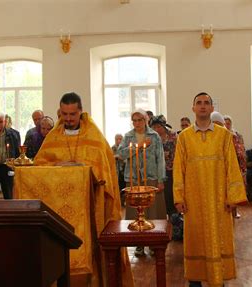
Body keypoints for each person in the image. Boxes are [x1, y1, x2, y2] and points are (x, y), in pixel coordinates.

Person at [34, 92, 133, 286]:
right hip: (60, 209)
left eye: (72, 114)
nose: (68, 119)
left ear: (80, 112)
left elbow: (105, 171)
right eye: (64, 114)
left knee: (90, 247)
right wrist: (58, 166)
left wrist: (85, 169)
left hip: (89, 206)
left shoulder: (95, 137)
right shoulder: (53, 137)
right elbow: (40, 165)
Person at [173, 92, 247, 287]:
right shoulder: (184, 137)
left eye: (207, 103)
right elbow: (179, 169)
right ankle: (195, 283)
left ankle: (217, 281)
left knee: (218, 239)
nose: (203, 106)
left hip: (218, 200)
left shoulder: (224, 136)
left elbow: (232, 166)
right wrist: (179, 197)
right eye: (199, 103)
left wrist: (232, 197)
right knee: (195, 240)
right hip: (193, 200)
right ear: (193, 108)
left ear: (212, 108)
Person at [117, 109, 167, 256]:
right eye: (134, 120)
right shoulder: (128, 136)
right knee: (135, 211)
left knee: (152, 211)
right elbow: (121, 154)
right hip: (133, 179)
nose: (137, 123)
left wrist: (160, 179)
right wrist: (139, 146)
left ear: (145, 120)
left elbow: (160, 159)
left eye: (140, 120)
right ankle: (138, 243)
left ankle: (153, 241)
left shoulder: (154, 136)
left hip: (150, 177)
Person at [150, 115, 177, 218]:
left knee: (170, 195)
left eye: (158, 126)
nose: (156, 129)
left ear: (164, 126)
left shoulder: (173, 136)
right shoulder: (151, 138)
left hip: (171, 170)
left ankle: (174, 220)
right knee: (160, 198)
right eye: (154, 127)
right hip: (157, 172)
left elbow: (178, 151)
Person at [0, 113, 21, 199]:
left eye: (1, 122)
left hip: (7, 166)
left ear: (5, 122)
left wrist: (15, 166)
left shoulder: (13, 135)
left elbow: (17, 152)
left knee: (8, 193)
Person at [224, 114, 247, 218]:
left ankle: (235, 211)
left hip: (236, 165)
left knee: (235, 189)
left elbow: (242, 150)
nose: (227, 125)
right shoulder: (221, 135)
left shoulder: (236, 135)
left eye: (229, 123)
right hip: (224, 166)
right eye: (225, 123)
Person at [111, 133, 126, 204]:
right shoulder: (112, 148)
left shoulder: (125, 148)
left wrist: (121, 158)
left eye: (120, 139)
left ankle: (124, 200)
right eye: (117, 139)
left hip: (124, 171)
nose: (119, 141)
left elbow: (127, 159)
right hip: (115, 171)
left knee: (124, 186)